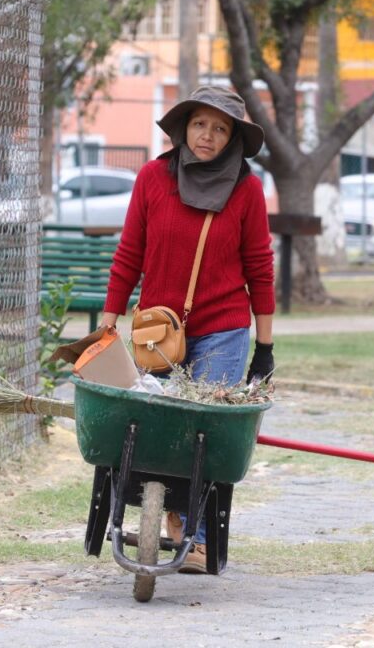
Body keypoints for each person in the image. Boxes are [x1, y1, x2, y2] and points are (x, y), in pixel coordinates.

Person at [100, 84, 276, 573]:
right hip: (157, 329)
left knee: (207, 428)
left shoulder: (247, 190)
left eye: (220, 129)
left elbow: (260, 267)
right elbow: (130, 252)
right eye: (200, 124)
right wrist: (108, 320)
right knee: (155, 425)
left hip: (223, 325)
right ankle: (168, 511)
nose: (207, 136)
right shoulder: (154, 178)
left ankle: (195, 535)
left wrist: (264, 345)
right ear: (183, 127)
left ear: (233, 138)